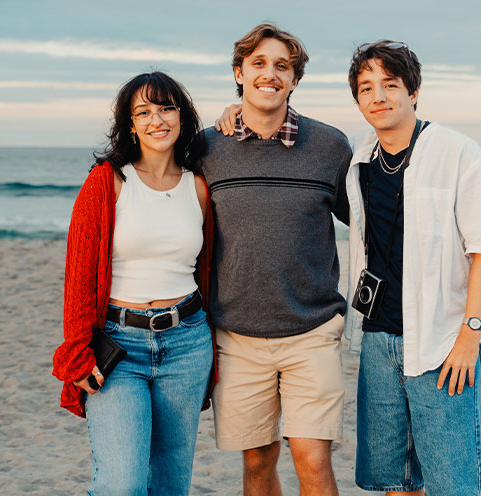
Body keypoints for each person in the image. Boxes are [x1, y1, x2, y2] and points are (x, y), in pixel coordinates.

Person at [344, 41, 481, 495]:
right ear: (358, 101)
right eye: (366, 88)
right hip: (378, 338)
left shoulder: (458, 152)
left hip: (441, 343)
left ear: (413, 92)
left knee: (453, 482)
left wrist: (470, 336)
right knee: (395, 479)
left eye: (390, 85)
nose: (378, 96)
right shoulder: (360, 158)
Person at [202, 23, 352, 496]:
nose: (270, 74)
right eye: (259, 64)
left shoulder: (330, 146)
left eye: (282, 66)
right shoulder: (207, 147)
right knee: (257, 462)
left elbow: (370, 221)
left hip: (312, 330)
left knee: (312, 458)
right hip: (236, 335)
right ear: (239, 73)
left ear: (294, 79)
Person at [51, 71, 215, 495]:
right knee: (122, 482)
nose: (156, 120)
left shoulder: (198, 187)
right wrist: (77, 353)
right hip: (119, 346)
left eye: (166, 108)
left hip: (187, 343)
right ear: (130, 125)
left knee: (170, 481)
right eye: (143, 112)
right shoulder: (107, 181)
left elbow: (208, 271)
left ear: (182, 116)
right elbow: (79, 274)